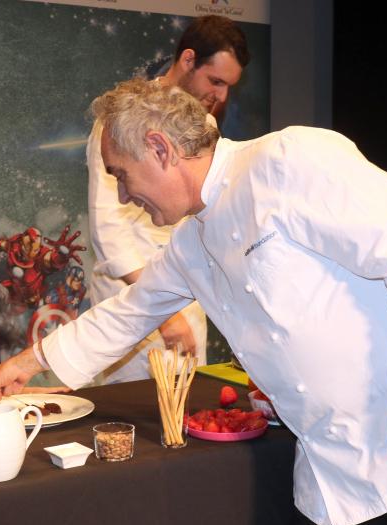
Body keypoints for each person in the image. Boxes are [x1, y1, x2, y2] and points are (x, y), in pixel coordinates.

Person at [0, 79, 387, 525]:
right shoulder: (190, 242)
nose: (123, 195)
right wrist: (27, 363)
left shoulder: (286, 160)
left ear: (161, 148)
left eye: (122, 175)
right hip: (335, 470)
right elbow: (129, 313)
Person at [88, 15, 249, 383]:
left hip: (187, 296)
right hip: (132, 295)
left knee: (186, 418)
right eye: (216, 81)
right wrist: (165, 314)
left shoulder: (205, 125)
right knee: (130, 424)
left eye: (229, 87)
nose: (221, 96)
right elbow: (108, 230)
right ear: (188, 59)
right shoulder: (120, 119)